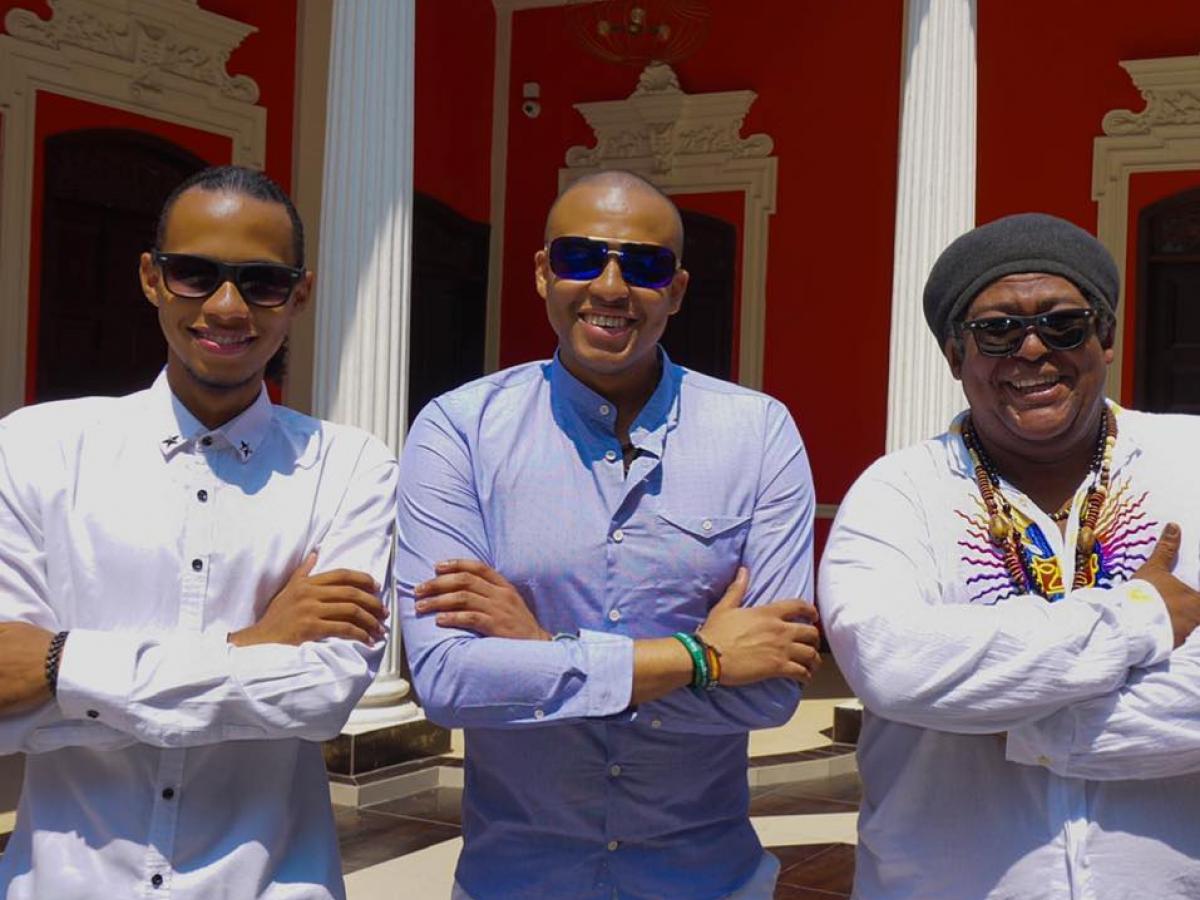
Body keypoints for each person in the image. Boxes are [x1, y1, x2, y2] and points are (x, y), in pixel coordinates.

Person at [396, 170, 821, 899]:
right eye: (581, 257)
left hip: (706, 882)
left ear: (677, 291)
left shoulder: (758, 434)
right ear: (543, 272)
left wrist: (539, 649)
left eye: (645, 266)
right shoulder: (459, 431)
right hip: (516, 882)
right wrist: (701, 657)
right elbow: (448, 681)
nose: (611, 286)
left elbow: (771, 692)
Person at [0, 165, 396, 899]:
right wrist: (251, 646)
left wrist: (60, 667)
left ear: (300, 294)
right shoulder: (34, 449)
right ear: (152, 278)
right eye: (195, 274)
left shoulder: (349, 467)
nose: (227, 306)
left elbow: (323, 696)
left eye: (262, 282)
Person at [820, 212, 1200, 899]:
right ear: (954, 355)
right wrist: (1139, 617)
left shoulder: (1192, 464)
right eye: (996, 330)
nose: (1031, 349)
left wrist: (1007, 714)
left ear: (1106, 337)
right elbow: (892, 663)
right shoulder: (897, 493)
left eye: (1064, 324)